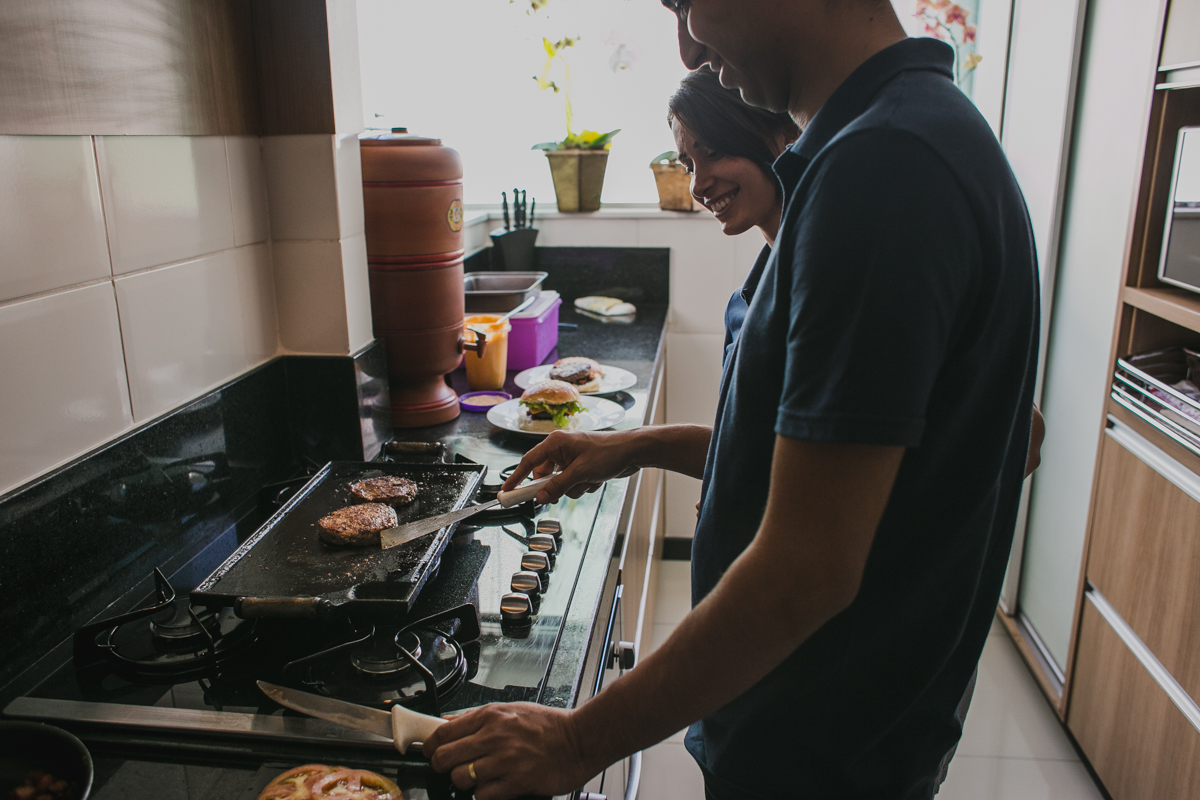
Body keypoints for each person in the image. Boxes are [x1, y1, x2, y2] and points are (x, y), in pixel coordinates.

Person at [424, 2, 1042, 798]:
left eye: (689, 3)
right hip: (843, 727)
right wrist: (636, 446)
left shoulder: (883, 165)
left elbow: (806, 570)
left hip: (820, 743)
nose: (688, 46)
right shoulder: (909, 138)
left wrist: (578, 740)